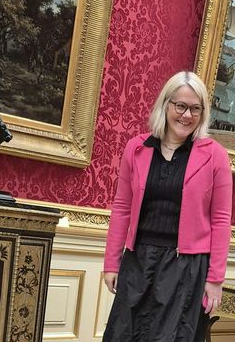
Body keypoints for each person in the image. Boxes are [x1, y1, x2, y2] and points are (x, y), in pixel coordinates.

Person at [103, 71, 233, 341]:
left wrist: (215, 279)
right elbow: (122, 208)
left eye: (196, 109)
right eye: (181, 106)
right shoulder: (136, 148)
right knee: (124, 335)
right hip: (138, 261)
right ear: (166, 104)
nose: (187, 115)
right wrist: (111, 264)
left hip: (186, 268)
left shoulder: (216, 156)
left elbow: (221, 219)